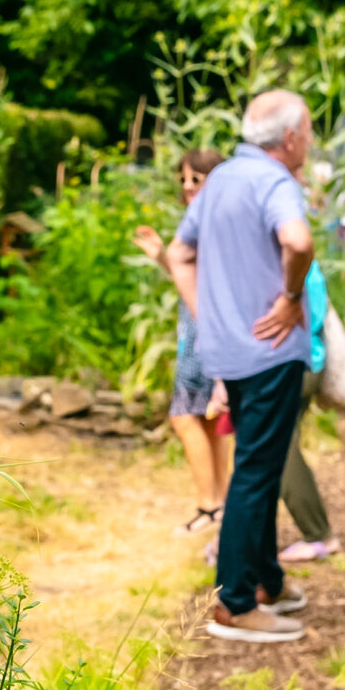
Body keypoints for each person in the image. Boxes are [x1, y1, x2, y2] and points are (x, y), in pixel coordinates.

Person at [164, 92, 318, 644]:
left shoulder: (223, 177)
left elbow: (178, 254)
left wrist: (210, 318)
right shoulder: (274, 181)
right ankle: (233, 601)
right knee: (256, 472)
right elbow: (298, 239)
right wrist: (291, 296)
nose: (312, 139)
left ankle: (267, 582)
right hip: (270, 350)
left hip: (230, 349)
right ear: (291, 138)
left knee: (261, 466)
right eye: (309, 130)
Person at [133, 149, 231, 533]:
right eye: (183, 180)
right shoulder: (209, 218)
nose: (188, 186)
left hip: (206, 330)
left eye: (196, 178)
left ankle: (209, 507)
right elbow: (190, 273)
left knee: (184, 415)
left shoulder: (211, 221)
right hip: (200, 327)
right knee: (209, 417)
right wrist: (162, 255)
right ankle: (218, 504)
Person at [279, 260, 342, 562]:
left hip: (297, 363)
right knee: (279, 446)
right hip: (304, 361)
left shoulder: (292, 260)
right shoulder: (302, 261)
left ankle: (318, 534)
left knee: (280, 450)